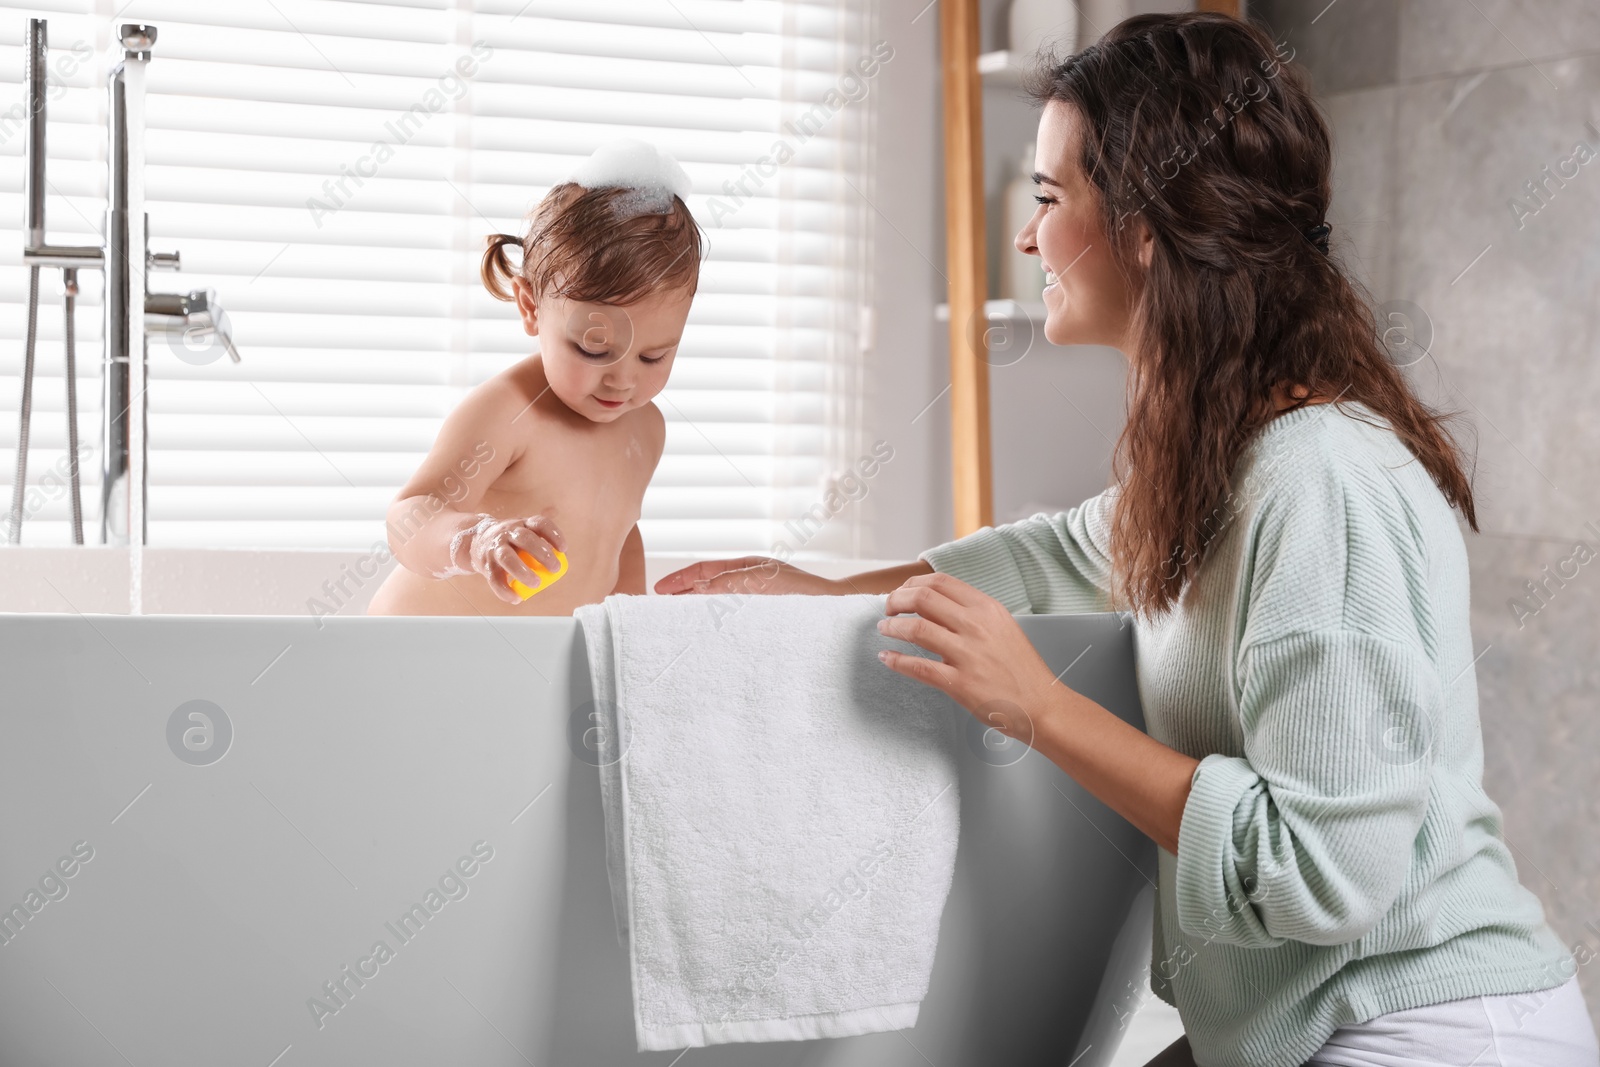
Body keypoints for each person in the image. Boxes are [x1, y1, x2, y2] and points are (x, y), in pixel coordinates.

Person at [654, 13, 1600, 1067]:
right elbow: (1058, 553)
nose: (1025, 235)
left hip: (1430, 1031)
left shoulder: (1317, 478)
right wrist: (821, 587)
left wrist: (1038, 705)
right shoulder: (1222, 458)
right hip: (1306, 1022)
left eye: (1050, 198)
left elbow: (1321, 872)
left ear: (1146, 225)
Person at [367, 140, 702, 617]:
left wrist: (630, 627)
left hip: (524, 669)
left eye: (654, 357)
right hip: (418, 651)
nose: (622, 382)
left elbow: (618, 535)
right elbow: (409, 518)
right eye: (592, 349)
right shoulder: (509, 411)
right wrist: (474, 541)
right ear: (530, 307)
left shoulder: (646, 429)